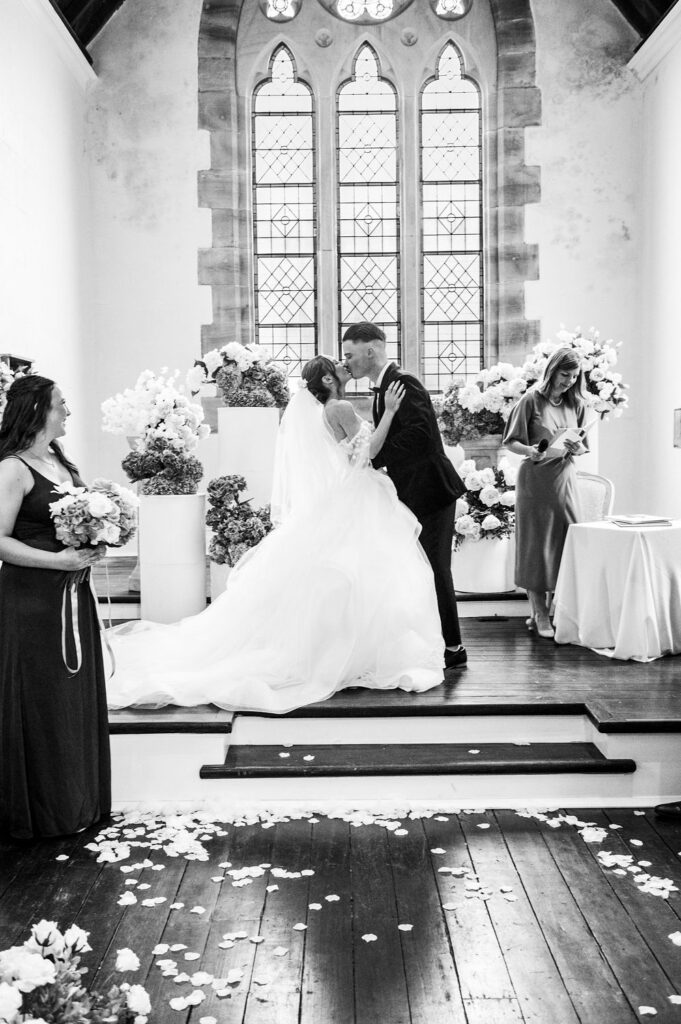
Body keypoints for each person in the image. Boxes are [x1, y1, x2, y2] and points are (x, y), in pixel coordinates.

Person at [105, 356, 445, 711]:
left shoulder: (319, 413)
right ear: (328, 381)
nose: (345, 367)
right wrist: (390, 412)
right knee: (365, 574)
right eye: (338, 366)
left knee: (352, 576)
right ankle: (355, 654)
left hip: (347, 494)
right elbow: (368, 453)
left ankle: (345, 651)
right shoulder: (340, 407)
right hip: (360, 491)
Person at [0, 376, 111, 839]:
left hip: (72, 594)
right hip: (31, 603)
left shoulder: (59, 460)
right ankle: (39, 812)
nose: (67, 412)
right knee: (41, 703)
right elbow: (1, 542)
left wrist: (98, 541)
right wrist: (57, 560)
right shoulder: (13, 468)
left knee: (71, 701)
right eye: (61, 405)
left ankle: (76, 803)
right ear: (37, 410)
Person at [341, 323, 467, 670]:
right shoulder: (383, 390)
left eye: (350, 353)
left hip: (431, 489)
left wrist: (376, 458)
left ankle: (454, 647)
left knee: (436, 568)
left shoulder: (402, 383)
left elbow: (422, 434)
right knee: (419, 569)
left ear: (371, 350)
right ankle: (435, 639)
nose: (347, 361)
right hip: (412, 491)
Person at [502, 347, 588, 638]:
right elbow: (510, 441)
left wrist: (578, 447)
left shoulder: (576, 403)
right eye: (565, 375)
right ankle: (540, 613)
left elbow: (581, 441)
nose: (569, 381)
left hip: (564, 479)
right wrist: (530, 451)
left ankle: (552, 610)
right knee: (537, 545)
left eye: (575, 377)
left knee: (565, 542)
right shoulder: (530, 400)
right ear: (552, 371)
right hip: (535, 480)